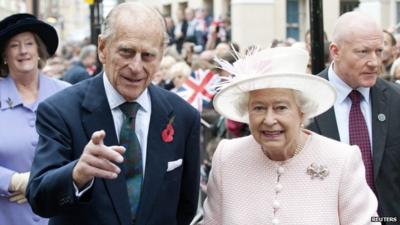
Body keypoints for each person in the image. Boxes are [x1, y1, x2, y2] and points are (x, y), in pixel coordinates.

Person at [26, 3, 200, 225]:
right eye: (126, 52)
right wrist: (76, 175)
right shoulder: (60, 111)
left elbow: (185, 209)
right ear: (102, 48)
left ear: (161, 56)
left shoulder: (184, 117)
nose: (136, 67)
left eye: (147, 55)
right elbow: (39, 197)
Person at [202, 46, 379, 224]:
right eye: (259, 108)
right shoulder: (227, 158)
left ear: (302, 111)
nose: (269, 119)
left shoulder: (341, 160)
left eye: (280, 108)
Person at [308, 11, 400, 223]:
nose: (374, 62)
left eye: (378, 51)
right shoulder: (306, 101)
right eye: (363, 52)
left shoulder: (395, 101)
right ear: (335, 51)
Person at [0, 13, 70, 225]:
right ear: (4, 56)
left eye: (29, 44)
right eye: (14, 46)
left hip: (60, 215)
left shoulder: (67, 94)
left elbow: (82, 150)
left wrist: (49, 183)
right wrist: (15, 181)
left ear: (39, 51)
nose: (23, 51)